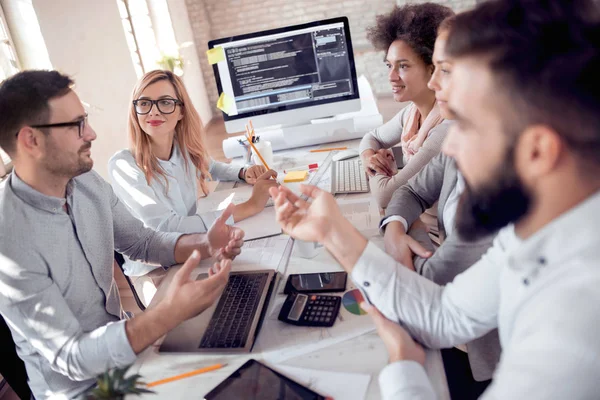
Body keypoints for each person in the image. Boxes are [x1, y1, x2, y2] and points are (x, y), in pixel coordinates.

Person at [269, 0, 600, 398]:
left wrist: (404, 370)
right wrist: (330, 230)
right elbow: (446, 314)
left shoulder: (576, 322)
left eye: (468, 125)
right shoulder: (534, 228)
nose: (451, 147)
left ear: (538, 151)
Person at [0, 70, 244, 399]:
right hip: (86, 390)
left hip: (128, 351)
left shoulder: (86, 182)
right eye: (77, 125)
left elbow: (142, 241)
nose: (92, 133)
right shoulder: (8, 240)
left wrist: (204, 243)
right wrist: (168, 313)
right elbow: (73, 357)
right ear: (31, 140)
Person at [380, 17, 499, 398]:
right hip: (451, 326)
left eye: (442, 70)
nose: (433, 83)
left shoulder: (490, 176)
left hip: (483, 352)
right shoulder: (458, 131)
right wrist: (396, 228)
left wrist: (335, 235)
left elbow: (427, 281)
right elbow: (409, 192)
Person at [108, 70, 277, 304]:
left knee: (259, 284)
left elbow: (214, 166)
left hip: (193, 247)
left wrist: (243, 172)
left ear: (181, 110)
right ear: (135, 110)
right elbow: (164, 227)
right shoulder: (123, 165)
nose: (154, 111)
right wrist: (250, 206)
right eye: (144, 103)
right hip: (155, 270)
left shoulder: (183, 150)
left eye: (165, 102)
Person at [359, 3, 454, 210]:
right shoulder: (411, 114)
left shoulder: (444, 130)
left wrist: (380, 171)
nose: (391, 76)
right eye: (389, 65)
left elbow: (386, 196)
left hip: (432, 235)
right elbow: (371, 137)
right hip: (408, 222)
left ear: (432, 68)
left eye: (403, 66)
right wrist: (370, 158)